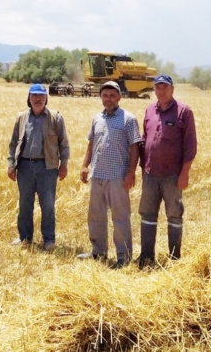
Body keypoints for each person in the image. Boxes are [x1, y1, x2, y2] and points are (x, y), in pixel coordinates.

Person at [78, 81, 141, 269]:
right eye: (105, 95)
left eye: (112, 95)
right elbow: (91, 143)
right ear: (101, 97)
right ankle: (98, 251)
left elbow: (135, 147)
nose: (108, 99)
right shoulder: (97, 118)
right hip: (97, 174)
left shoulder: (128, 119)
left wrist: (131, 172)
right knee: (96, 215)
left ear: (119, 97)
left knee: (120, 217)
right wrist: (84, 165)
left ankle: (123, 256)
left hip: (118, 176)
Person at [137, 74, 197, 268]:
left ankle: (174, 258)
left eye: (165, 87)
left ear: (172, 89)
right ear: (154, 90)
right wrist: (142, 168)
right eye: (157, 87)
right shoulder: (149, 111)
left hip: (173, 175)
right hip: (150, 174)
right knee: (147, 215)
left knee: (174, 215)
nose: (161, 91)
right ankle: (146, 257)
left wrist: (184, 173)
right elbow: (144, 141)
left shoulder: (183, 112)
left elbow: (190, 146)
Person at [7, 84, 70, 251]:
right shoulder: (21, 118)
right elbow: (13, 143)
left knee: (47, 205)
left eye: (41, 96)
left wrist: (64, 165)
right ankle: (24, 238)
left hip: (47, 167)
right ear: (29, 98)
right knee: (25, 204)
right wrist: (11, 164)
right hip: (25, 166)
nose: (37, 99)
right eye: (34, 95)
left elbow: (63, 144)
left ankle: (49, 239)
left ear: (46, 98)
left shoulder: (55, 117)